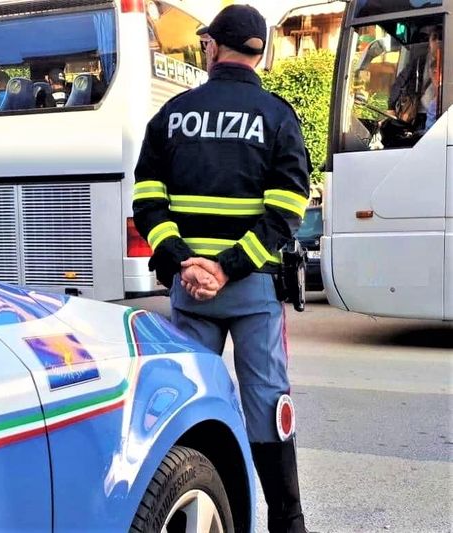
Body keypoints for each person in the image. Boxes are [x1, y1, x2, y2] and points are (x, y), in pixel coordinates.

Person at [132, 5, 311, 533]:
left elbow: (147, 202)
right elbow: (287, 210)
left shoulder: (172, 115)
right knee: (269, 406)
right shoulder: (277, 116)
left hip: (191, 295)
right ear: (260, 52)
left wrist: (183, 264)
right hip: (253, 292)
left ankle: (197, 505)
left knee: (190, 405)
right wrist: (229, 267)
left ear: (212, 48)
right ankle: (288, 521)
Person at [388, 25, 443, 131]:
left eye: (440, 38)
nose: (437, 42)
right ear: (429, 42)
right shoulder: (419, 61)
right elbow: (400, 81)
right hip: (420, 114)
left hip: (443, 112)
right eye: (434, 38)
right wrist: (391, 107)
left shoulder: (449, 61)